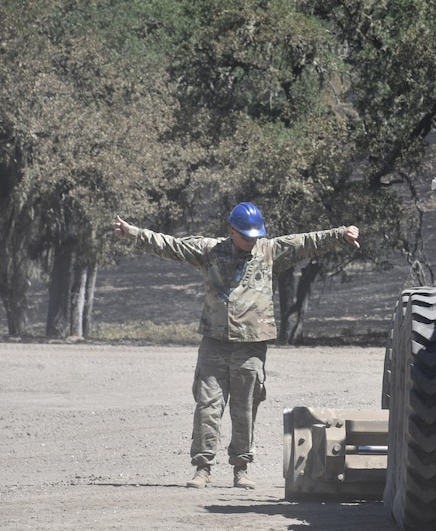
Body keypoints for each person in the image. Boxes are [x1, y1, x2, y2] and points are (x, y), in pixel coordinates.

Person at [113, 203, 360, 489]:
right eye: (246, 236)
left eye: (255, 235)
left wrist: (340, 234)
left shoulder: (269, 251)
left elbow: (305, 242)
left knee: (245, 409)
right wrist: (133, 233)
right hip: (214, 343)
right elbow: (170, 245)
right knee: (207, 407)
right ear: (232, 232)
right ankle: (202, 469)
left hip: (251, 347)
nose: (251, 241)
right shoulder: (209, 251)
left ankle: (241, 469)